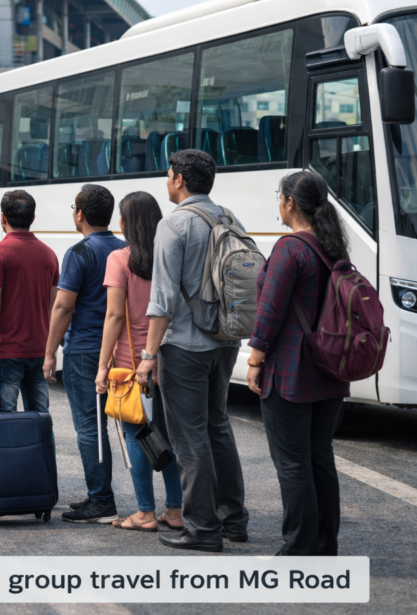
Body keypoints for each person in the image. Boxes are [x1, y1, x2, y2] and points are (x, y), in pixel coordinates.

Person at [135, 149, 249, 553]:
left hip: (185, 345)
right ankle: (232, 519)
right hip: (225, 341)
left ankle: (201, 529)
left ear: (180, 179)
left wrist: (148, 355)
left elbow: (162, 300)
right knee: (217, 426)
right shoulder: (229, 217)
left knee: (190, 437)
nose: (167, 181)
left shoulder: (175, 224)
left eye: (168, 174)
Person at [247, 171, 351, 556]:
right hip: (329, 369)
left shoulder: (290, 249)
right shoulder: (332, 246)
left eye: (280, 198)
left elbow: (270, 310)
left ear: (290, 202)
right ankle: (324, 544)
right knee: (320, 457)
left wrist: (255, 359)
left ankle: (298, 548)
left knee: (292, 462)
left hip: (290, 372)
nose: (279, 204)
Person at [94, 191, 183, 533]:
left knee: (136, 432)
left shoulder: (121, 259)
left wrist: (102, 367)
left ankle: (145, 512)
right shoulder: (169, 255)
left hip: (130, 363)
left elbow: (115, 316)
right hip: (168, 357)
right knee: (169, 436)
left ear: (124, 223)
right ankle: (174, 510)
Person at [41, 185, 124, 524]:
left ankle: (101, 499)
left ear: (79, 214)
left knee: (90, 427)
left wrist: (49, 353)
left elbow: (63, 305)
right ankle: (104, 496)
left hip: (85, 349)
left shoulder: (79, 252)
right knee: (126, 425)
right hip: (118, 350)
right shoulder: (125, 248)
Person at [0, 190, 59, 414]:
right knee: (41, 419)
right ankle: (44, 452)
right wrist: (51, 351)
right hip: (39, 350)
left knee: (3, 421)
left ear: (3, 218)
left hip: (5, 352)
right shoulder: (49, 254)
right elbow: (53, 306)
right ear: (32, 218)